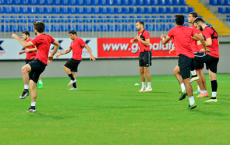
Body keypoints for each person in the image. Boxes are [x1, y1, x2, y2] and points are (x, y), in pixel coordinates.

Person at [161, 15, 209, 109]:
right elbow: (201, 38)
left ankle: (192, 102)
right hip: (192, 57)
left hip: (184, 58)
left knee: (186, 81)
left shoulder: (173, 30)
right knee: (176, 71)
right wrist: (205, 49)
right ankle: (193, 76)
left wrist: (163, 38)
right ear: (183, 22)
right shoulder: (189, 29)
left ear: (175, 22)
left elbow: (164, 43)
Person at [11, 21, 60, 112]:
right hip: (43, 64)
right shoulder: (48, 37)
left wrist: (17, 37)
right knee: (32, 86)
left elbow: (25, 44)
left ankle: (25, 91)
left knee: (24, 69)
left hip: (39, 61)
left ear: (35, 30)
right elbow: (58, 44)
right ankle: (33, 107)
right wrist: (52, 54)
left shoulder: (39, 38)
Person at [193, 17, 219, 102]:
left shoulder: (206, 30)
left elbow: (209, 42)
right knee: (212, 78)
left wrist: (202, 42)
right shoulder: (212, 29)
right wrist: (204, 49)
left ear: (199, 24)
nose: (197, 28)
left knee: (191, 56)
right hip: (216, 56)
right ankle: (214, 97)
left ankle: (193, 75)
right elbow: (217, 43)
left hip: (210, 55)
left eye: (197, 27)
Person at [188, 12, 209, 98]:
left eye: (190, 17)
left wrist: (191, 36)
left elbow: (200, 36)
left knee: (197, 73)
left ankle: (203, 91)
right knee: (199, 72)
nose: (188, 18)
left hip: (196, 51)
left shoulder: (194, 28)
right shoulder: (193, 27)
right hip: (197, 51)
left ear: (194, 18)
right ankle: (204, 91)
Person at [130, 21, 152, 92]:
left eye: (137, 25)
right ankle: (143, 86)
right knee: (141, 70)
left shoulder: (146, 32)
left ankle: (149, 87)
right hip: (141, 53)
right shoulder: (139, 33)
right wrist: (134, 39)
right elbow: (139, 38)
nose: (136, 26)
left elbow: (148, 43)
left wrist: (139, 39)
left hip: (146, 53)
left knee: (146, 71)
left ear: (141, 25)